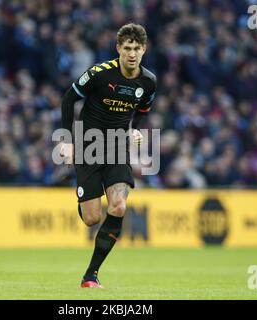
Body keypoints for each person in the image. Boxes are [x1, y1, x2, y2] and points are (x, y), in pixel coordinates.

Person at [59, 23, 157, 288]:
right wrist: (68, 142)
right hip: (89, 145)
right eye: (127, 48)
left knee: (118, 206)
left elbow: (142, 112)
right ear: (118, 49)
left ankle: (91, 275)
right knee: (91, 218)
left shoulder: (148, 82)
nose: (132, 54)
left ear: (144, 49)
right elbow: (69, 100)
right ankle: (83, 194)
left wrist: (134, 132)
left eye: (137, 48)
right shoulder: (100, 74)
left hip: (116, 148)